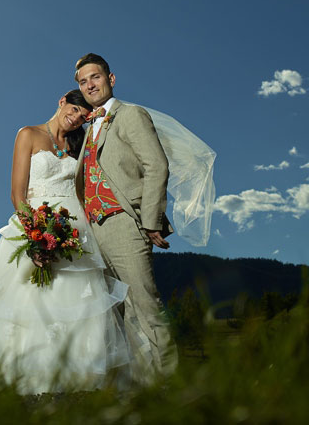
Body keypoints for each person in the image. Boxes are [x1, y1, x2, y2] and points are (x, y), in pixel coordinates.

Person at [0, 89, 132, 395]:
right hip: (36, 225)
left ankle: (73, 386)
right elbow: (17, 196)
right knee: (27, 306)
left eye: (82, 115)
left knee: (77, 304)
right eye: (74, 109)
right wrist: (37, 238)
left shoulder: (79, 147)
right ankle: (20, 383)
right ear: (62, 101)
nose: (76, 118)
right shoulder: (29, 135)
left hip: (76, 231)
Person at [74, 53, 178, 380]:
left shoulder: (131, 115)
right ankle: (143, 386)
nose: (90, 85)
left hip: (125, 223)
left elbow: (156, 165)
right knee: (118, 313)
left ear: (111, 79)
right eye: (83, 81)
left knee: (144, 304)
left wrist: (150, 221)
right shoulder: (88, 128)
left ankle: (170, 387)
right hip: (94, 231)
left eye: (96, 77)